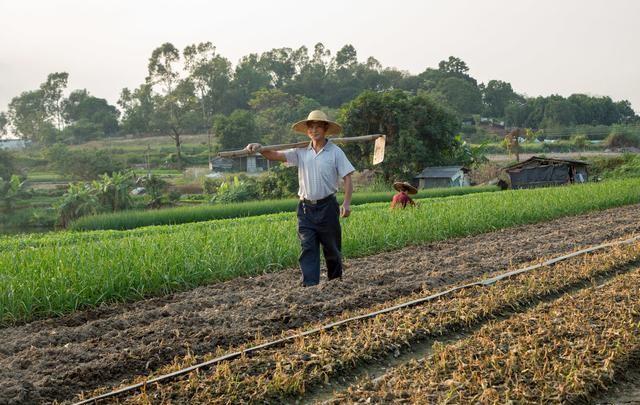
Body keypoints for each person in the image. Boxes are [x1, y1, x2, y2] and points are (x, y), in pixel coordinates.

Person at [245, 110, 355, 287]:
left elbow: (348, 177)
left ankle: (335, 284)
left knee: (331, 248)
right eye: (311, 127)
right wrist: (260, 148)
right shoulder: (301, 151)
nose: (314, 130)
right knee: (307, 247)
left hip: (327, 206)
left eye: (318, 126)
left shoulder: (335, 152)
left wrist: (347, 203)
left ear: (325, 129)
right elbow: (277, 156)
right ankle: (310, 286)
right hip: (305, 209)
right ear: (307, 131)